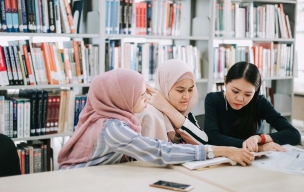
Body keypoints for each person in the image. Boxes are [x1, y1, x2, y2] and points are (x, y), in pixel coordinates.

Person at [58, 68, 254, 169]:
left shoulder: (107, 116)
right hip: (79, 183)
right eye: (140, 93)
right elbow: (160, 151)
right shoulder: (112, 128)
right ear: (121, 97)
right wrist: (221, 151)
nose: (147, 97)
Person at [204, 62, 301, 152]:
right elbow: (212, 137)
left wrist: (260, 138)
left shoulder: (259, 102)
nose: (240, 99)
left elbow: (294, 134)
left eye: (247, 94)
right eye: (235, 91)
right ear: (225, 82)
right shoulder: (213, 99)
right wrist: (259, 147)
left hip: (256, 162)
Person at [136, 59, 208, 145]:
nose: (187, 96)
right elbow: (152, 155)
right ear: (165, 87)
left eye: (190, 89)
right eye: (180, 90)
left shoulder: (183, 112)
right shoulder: (150, 113)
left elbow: (203, 142)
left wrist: (167, 108)